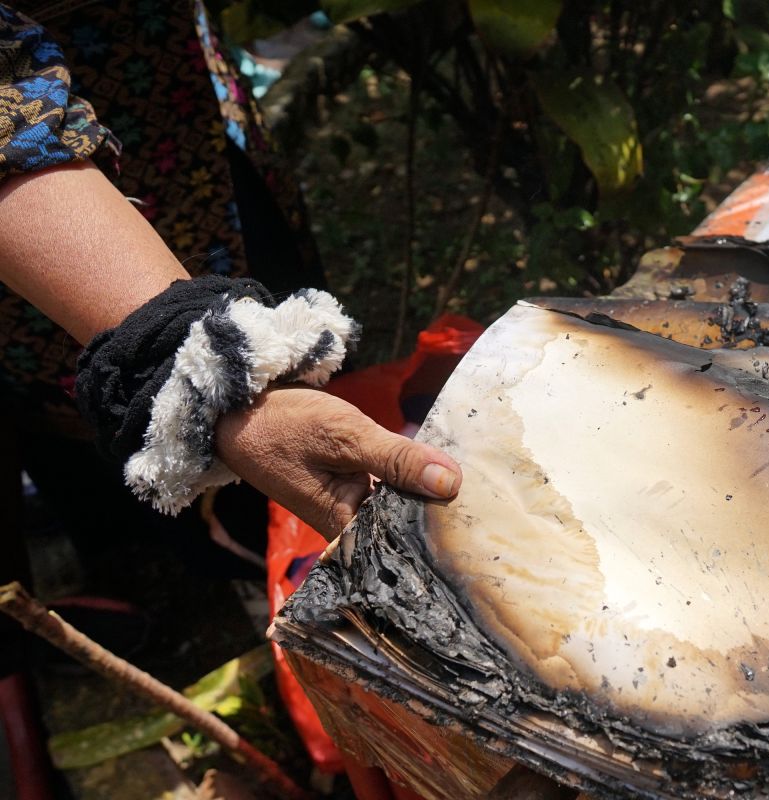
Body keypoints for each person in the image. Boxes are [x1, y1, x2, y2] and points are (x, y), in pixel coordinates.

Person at [0, 4, 460, 797]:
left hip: (190, 125)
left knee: (288, 480)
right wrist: (213, 385)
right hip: (46, 238)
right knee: (158, 490)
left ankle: (251, 575)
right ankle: (222, 584)